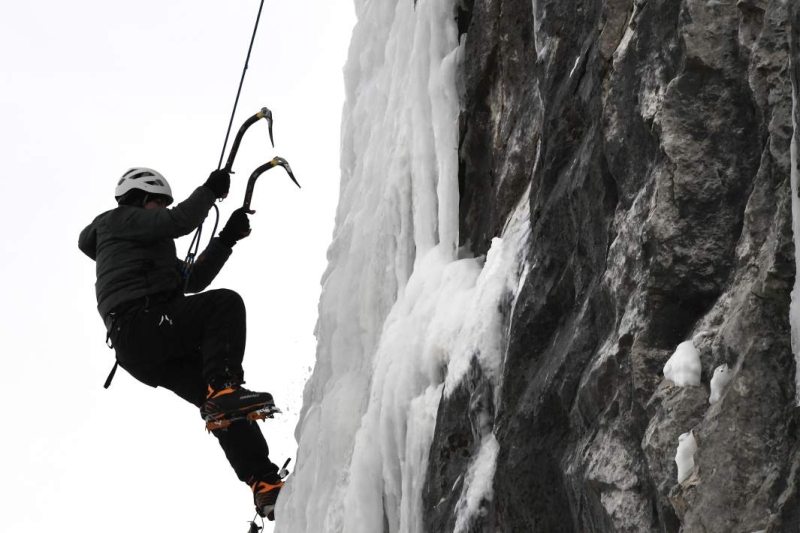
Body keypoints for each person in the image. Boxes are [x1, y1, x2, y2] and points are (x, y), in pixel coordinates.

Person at [78, 167, 283, 520]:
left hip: (143, 345)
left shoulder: (144, 249)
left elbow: (193, 279)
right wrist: (209, 191)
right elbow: (179, 222)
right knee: (225, 305)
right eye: (156, 202)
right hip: (141, 324)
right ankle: (225, 387)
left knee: (222, 409)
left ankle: (263, 483)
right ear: (138, 198)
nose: (160, 209)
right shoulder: (116, 221)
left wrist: (227, 239)